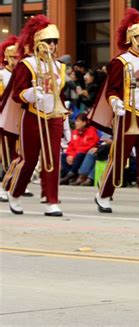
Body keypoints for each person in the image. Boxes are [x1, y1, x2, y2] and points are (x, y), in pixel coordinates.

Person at [90, 9, 139, 216]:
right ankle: (104, 194)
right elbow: (112, 89)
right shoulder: (120, 61)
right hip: (126, 114)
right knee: (120, 157)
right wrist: (116, 103)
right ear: (132, 38)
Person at [2, 15, 67, 217]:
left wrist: (66, 124)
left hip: (54, 116)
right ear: (38, 42)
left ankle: (51, 200)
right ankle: (15, 192)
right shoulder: (27, 64)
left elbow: (60, 95)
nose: (52, 46)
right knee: (28, 160)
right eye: (48, 41)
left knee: (53, 159)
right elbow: (17, 93)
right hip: (31, 115)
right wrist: (31, 94)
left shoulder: (59, 67)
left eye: (54, 42)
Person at [0, 35, 19, 201]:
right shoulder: (1, 75)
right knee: (5, 154)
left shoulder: (22, 73)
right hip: (4, 119)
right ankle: (3, 186)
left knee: (19, 153)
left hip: (20, 118)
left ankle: (18, 183)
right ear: (6, 57)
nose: (16, 60)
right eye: (13, 57)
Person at [60, 113, 99, 184]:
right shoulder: (75, 132)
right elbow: (71, 146)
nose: (75, 123)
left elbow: (88, 147)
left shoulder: (91, 132)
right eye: (76, 121)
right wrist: (70, 155)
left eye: (78, 121)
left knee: (79, 155)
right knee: (63, 156)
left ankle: (70, 175)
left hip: (83, 155)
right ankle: (69, 175)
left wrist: (73, 155)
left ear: (84, 123)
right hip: (75, 155)